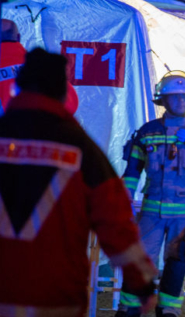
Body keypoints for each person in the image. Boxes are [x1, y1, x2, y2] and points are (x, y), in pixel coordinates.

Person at [0, 48, 157, 316]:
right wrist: (142, 284)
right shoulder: (83, 152)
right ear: (64, 92)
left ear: (19, 87)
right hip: (56, 299)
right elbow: (116, 224)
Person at [118, 71, 185, 317]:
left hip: (184, 213)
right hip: (151, 212)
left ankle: (168, 311)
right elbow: (132, 170)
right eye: (175, 97)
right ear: (163, 101)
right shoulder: (147, 132)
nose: (182, 102)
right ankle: (129, 310)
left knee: (177, 264)